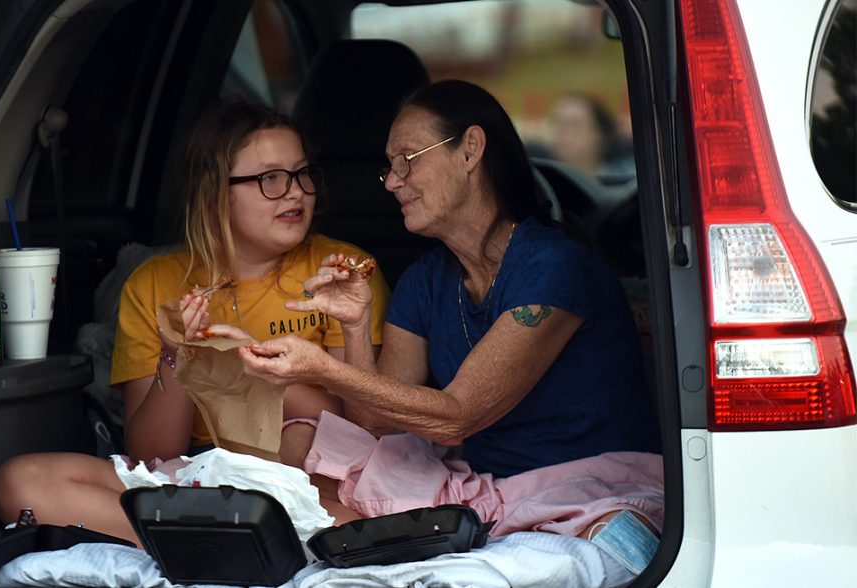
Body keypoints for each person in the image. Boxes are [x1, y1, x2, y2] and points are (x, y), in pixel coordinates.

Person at [238, 80, 661, 531]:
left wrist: (321, 368)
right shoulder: (424, 281)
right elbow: (377, 423)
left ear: (470, 150)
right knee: (310, 449)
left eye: (408, 160)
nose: (393, 181)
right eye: (389, 168)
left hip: (589, 487)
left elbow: (457, 418)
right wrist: (356, 327)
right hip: (486, 487)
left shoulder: (554, 266)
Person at [0, 100, 390, 544]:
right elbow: (153, 457)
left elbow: (360, 431)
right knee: (20, 481)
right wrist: (178, 356)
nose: (295, 192)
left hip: (298, 475)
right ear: (214, 192)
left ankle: (217, 539)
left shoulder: (340, 271)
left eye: (302, 173)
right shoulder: (154, 283)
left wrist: (247, 366)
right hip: (194, 479)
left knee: (301, 440)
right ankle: (222, 541)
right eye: (270, 179)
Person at [548, 92, 635, 179]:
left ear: (600, 136)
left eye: (574, 124)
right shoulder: (542, 181)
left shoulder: (628, 179)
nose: (561, 131)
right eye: (559, 123)